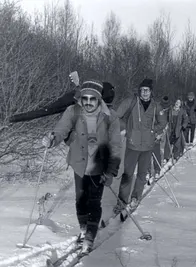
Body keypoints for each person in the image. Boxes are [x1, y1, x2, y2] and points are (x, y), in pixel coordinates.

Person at [42, 80, 122, 254]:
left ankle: (90, 237)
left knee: (94, 202)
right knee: (80, 201)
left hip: (99, 166)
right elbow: (62, 128)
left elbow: (116, 145)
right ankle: (84, 229)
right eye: (84, 98)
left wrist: (111, 170)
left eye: (92, 99)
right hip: (79, 163)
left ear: (99, 99)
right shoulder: (73, 111)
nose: (87, 102)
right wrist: (52, 138)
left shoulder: (110, 116)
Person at [115, 78, 167, 213]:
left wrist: (154, 130)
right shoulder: (131, 102)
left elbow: (163, 122)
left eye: (147, 90)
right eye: (142, 90)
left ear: (151, 92)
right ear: (139, 91)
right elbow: (117, 116)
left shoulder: (155, 106)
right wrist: (126, 128)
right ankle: (121, 202)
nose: (145, 93)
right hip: (132, 145)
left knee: (142, 175)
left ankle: (135, 197)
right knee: (127, 174)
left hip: (148, 147)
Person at [147, 95, 170, 185]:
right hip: (146, 136)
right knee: (147, 155)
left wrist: (155, 131)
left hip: (156, 135)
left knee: (156, 153)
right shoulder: (144, 109)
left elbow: (162, 123)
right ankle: (147, 172)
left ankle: (157, 170)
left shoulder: (158, 108)